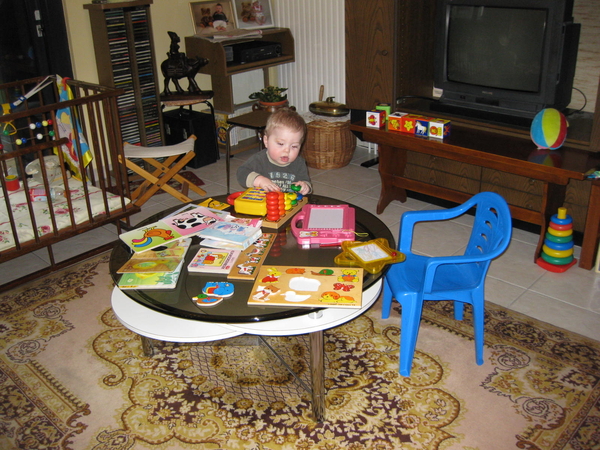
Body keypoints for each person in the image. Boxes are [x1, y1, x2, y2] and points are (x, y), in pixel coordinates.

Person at [237, 108, 312, 195]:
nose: (287, 150)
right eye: (280, 144)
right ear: (266, 141)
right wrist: (260, 180)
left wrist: (305, 186)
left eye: (294, 146)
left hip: (288, 205)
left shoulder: (299, 163)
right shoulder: (259, 160)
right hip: (263, 203)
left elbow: (305, 181)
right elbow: (241, 173)